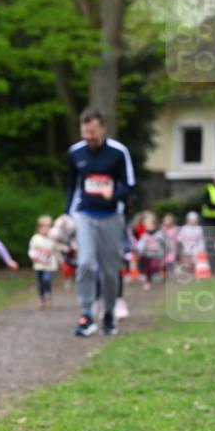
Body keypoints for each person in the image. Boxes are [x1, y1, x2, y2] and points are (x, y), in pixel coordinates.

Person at [65, 109, 134, 337]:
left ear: (102, 128)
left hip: (112, 216)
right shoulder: (75, 153)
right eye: (85, 133)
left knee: (110, 270)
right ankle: (86, 313)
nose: (89, 137)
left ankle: (109, 313)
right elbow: (72, 187)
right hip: (85, 214)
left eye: (93, 132)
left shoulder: (118, 152)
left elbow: (129, 186)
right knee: (84, 263)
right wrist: (68, 214)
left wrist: (113, 194)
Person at [28, 215, 59, 308]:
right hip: (39, 265)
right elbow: (32, 251)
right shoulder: (35, 238)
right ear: (38, 227)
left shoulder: (52, 239)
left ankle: (48, 294)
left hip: (49, 266)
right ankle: (42, 298)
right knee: (40, 283)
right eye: (43, 226)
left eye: (48, 226)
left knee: (47, 280)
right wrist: (37, 259)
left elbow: (56, 250)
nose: (46, 229)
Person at [135, 212, 167, 290]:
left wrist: (165, 253)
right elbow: (140, 245)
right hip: (147, 255)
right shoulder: (145, 235)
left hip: (157, 256)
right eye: (145, 225)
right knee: (146, 268)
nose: (147, 226)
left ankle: (159, 277)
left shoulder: (160, 235)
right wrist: (138, 250)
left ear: (154, 225)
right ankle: (147, 281)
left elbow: (166, 244)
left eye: (149, 224)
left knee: (154, 268)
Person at [161, 212, 179, 277]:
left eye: (169, 220)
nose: (167, 222)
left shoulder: (174, 229)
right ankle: (164, 273)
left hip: (172, 247)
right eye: (166, 220)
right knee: (164, 260)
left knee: (171, 260)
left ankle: (172, 273)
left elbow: (177, 239)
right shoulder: (162, 228)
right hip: (164, 247)